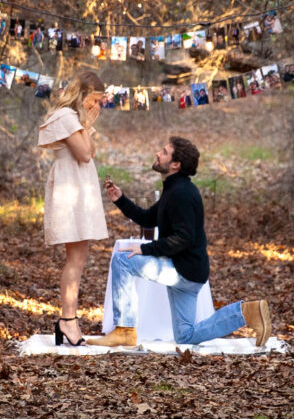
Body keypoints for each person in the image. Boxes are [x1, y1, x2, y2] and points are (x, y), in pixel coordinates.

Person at [88, 137, 272, 347]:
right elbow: (149, 218)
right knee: (185, 336)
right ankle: (247, 312)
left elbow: (184, 239)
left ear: (175, 164)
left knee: (123, 259)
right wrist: (120, 199)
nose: (158, 153)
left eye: (164, 152)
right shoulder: (175, 189)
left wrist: (145, 249)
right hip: (191, 273)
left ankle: (125, 330)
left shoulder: (182, 194)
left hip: (182, 270)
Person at [38, 71, 109, 346]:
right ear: (81, 96)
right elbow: (83, 153)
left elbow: (89, 151)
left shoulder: (76, 121)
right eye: (93, 100)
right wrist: (88, 124)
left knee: (79, 258)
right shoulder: (66, 118)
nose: (96, 106)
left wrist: (87, 126)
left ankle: (69, 319)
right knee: (74, 259)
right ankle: (67, 320)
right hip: (70, 189)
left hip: (80, 187)